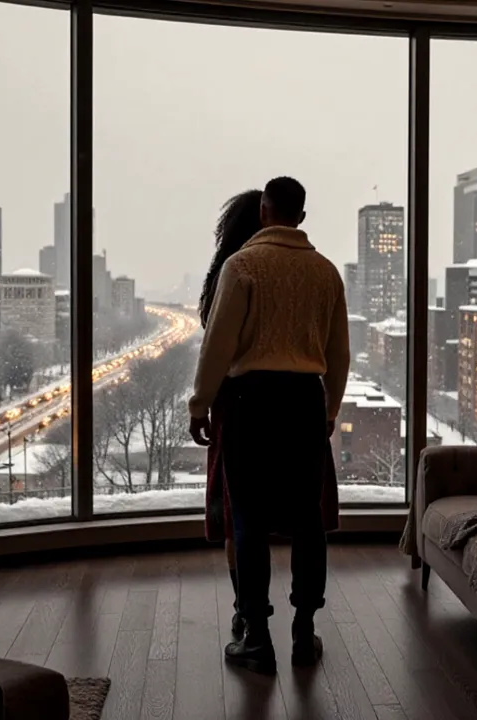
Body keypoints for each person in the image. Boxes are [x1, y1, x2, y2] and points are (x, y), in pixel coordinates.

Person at [189, 176, 350, 675]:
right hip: (304, 401)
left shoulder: (241, 266)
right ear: (301, 217)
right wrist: (329, 411)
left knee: (250, 520)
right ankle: (305, 629)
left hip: (249, 401)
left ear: (263, 210)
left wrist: (201, 404)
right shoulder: (326, 273)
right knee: (307, 519)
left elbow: (217, 344)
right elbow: (339, 353)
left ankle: (256, 636)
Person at [197, 188, 263, 641]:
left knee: (235, 510)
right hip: (289, 400)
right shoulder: (277, 269)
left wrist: (200, 402)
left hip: (233, 400)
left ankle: (246, 611)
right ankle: (292, 621)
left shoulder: (224, 271)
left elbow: (214, 342)